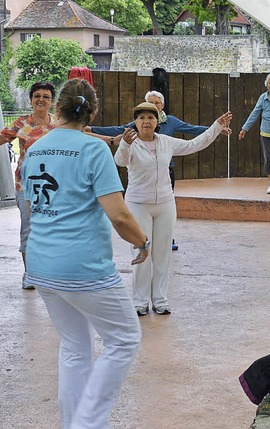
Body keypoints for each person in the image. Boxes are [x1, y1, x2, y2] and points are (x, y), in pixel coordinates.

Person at [20, 78, 149, 429]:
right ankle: (88, 424)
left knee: (75, 347)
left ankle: (74, 423)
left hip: (42, 264)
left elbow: (33, 206)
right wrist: (143, 243)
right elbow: (119, 214)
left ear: (57, 108)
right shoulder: (93, 150)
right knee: (124, 339)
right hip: (83, 267)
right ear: (91, 112)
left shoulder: (35, 149)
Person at [115, 102, 232, 316]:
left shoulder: (166, 142)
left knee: (162, 253)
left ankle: (160, 299)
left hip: (165, 205)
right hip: (138, 204)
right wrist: (124, 144)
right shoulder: (130, 143)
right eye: (141, 118)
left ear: (157, 120)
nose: (146, 122)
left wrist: (216, 126)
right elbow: (120, 161)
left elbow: (195, 144)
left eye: (150, 117)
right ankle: (140, 301)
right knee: (142, 251)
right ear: (136, 122)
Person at [88, 90, 210, 251]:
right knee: (143, 238)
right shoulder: (132, 134)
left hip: (166, 173)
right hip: (140, 195)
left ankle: (167, 238)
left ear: (162, 106)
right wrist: (92, 129)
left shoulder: (171, 123)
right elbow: (115, 133)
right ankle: (144, 241)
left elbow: (192, 131)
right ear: (137, 120)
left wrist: (214, 128)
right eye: (150, 103)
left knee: (164, 219)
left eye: (156, 104)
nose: (152, 107)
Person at [0, 82, 57, 290]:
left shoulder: (58, 125)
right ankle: (30, 274)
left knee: (52, 230)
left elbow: (81, 137)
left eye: (46, 96)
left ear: (52, 101)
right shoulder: (21, 123)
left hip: (53, 188)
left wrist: (113, 140)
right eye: (37, 96)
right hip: (26, 187)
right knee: (29, 230)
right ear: (31, 99)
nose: (41, 100)